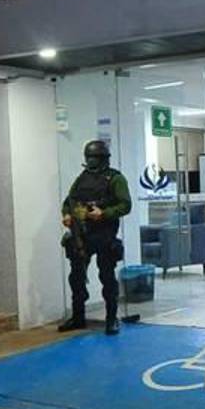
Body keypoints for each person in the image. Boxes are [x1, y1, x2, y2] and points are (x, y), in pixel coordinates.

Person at [59, 140, 131, 335]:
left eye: (95, 158)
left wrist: (104, 213)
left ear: (103, 158)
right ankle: (78, 317)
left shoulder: (115, 179)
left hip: (104, 234)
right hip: (82, 234)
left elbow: (126, 205)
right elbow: (69, 201)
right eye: (89, 158)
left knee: (107, 277)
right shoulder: (82, 178)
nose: (91, 161)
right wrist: (67, 214)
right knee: (76, 277)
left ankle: (111, 319)